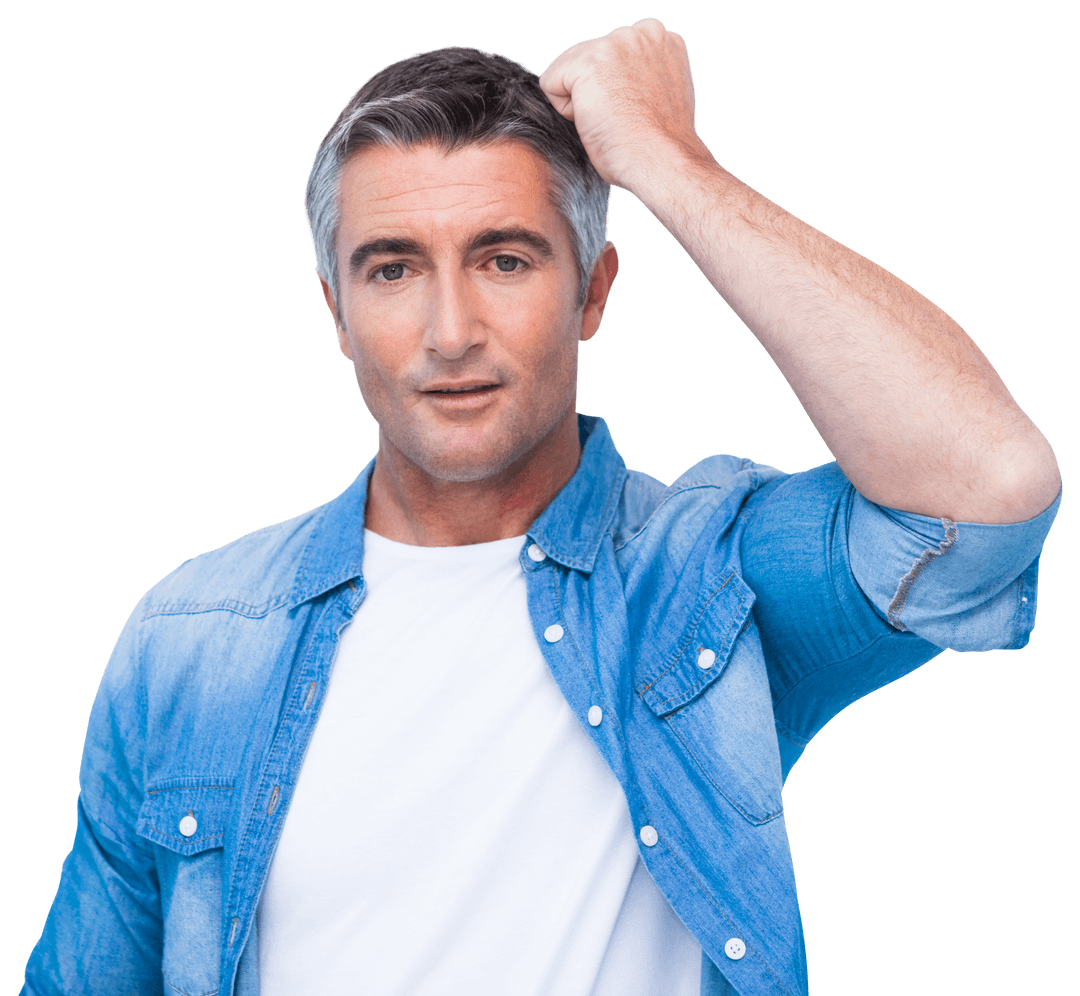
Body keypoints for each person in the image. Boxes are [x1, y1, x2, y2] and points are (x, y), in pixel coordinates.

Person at [22, 19, 1061, 996]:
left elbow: (988, 489)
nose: (450, 331)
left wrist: (670, 161)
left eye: (504, 260)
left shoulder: (706, 581)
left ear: (593, 290)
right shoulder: (189, 640)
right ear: (337, 311)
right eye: (393, 269)